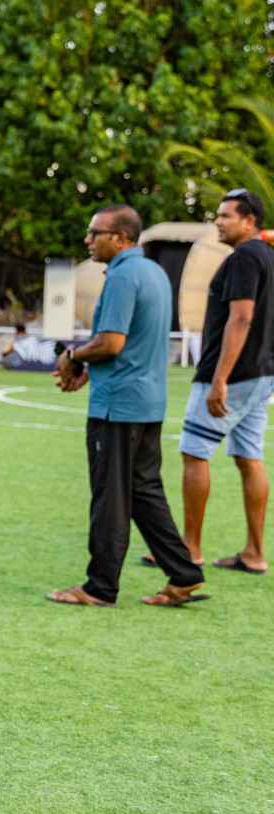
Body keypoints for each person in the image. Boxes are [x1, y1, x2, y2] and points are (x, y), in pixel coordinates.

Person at [47, 203, 205, 608]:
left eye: (94, 233)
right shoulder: (152, 272)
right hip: (148, 403)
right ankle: (184, 573)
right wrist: (89, 368)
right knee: (145, 492)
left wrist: (73, 358)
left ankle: (100, 587)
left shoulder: (121, 277)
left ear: (119, 238)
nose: (88, 240)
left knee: (110, 496)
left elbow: (111, 342)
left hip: (117, 408)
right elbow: (130, 344)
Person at [170, 189, 274, 574]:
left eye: (226, 215)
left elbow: (242, 318)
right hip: (261, 374)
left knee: (195, 452)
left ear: (249, 221)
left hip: (233, 376)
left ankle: (190, 549)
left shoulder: (246, 257)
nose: (217, 221)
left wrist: (219, 380)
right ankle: (254, 553)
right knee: (250, 458)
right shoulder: (266, 256)